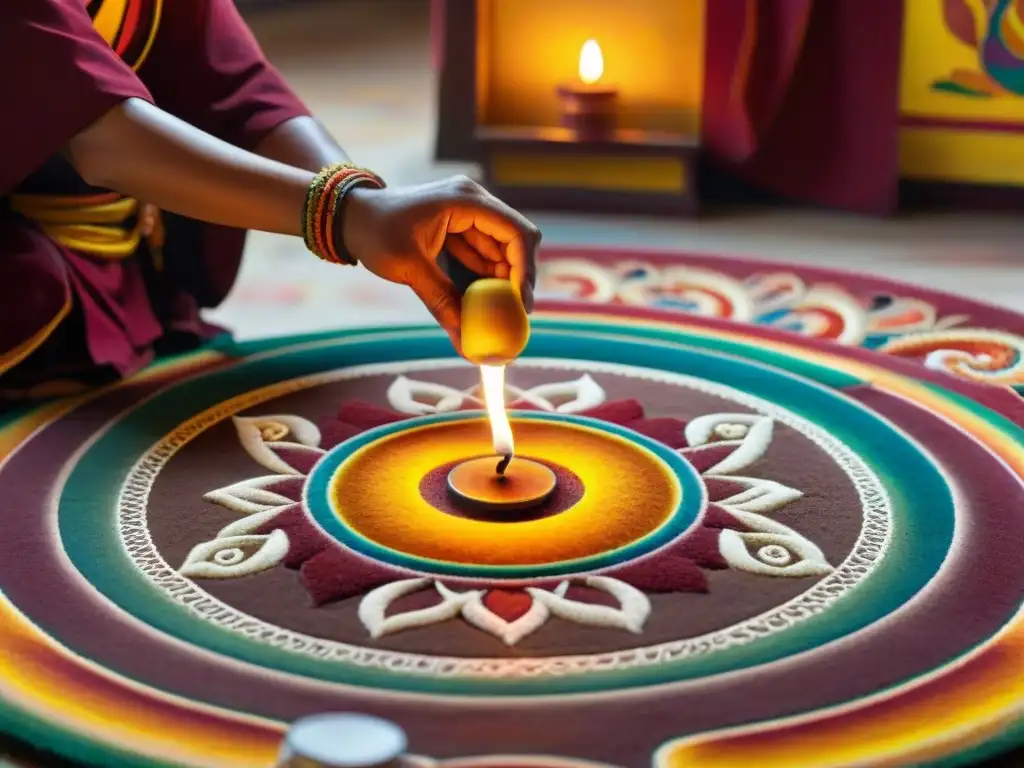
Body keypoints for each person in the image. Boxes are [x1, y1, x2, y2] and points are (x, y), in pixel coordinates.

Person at [0, 0, 540, 400]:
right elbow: (100, 134)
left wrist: (368, 197)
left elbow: (236, 86)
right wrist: (345, 214)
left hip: (122, 242)